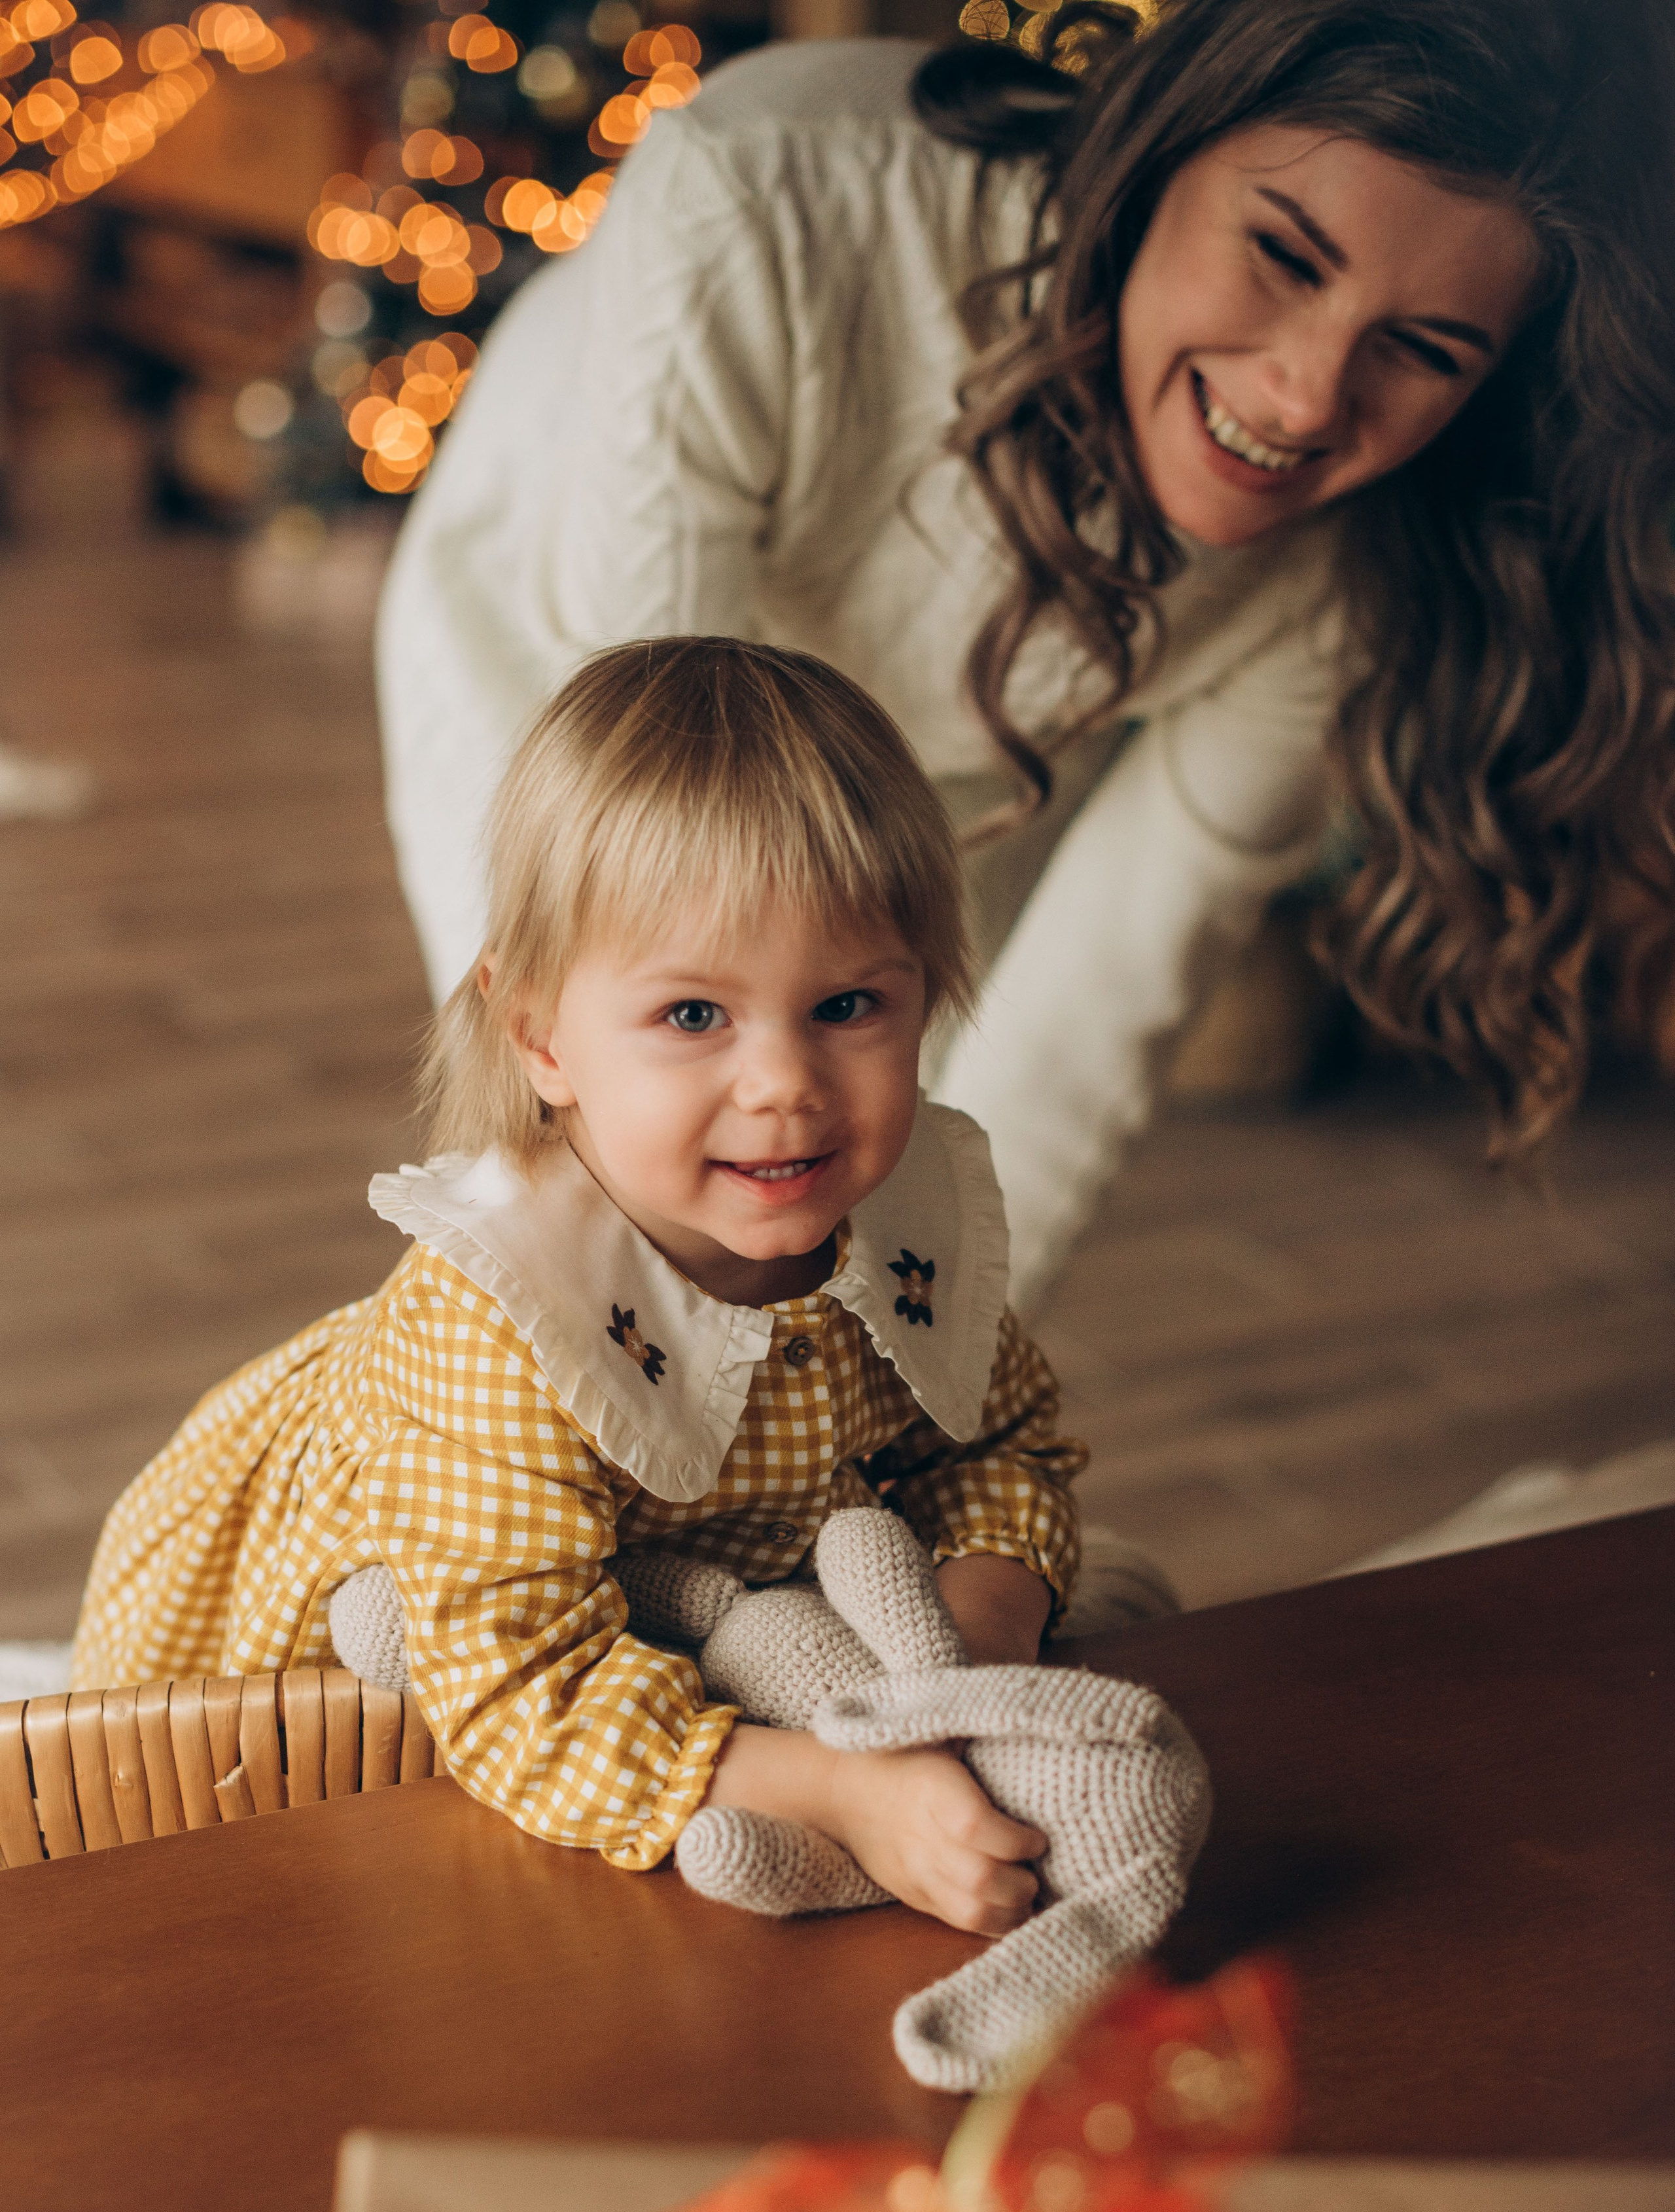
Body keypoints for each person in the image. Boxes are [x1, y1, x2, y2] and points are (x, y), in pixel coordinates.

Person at [376, 0, 1675, 1311]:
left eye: (1420, 350)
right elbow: (655, 862)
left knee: (869, 1150)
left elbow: (1084, 1017)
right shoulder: (764, 192)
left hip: (958, 749)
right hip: (585, 658)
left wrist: (926, 1401)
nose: (1302, 397)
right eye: (1282, 257)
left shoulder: (1361, 563)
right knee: (604, 1148)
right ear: (1165, 144)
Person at [69, 639, 1087, 1936]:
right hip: (286, 1743)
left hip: (656, 1638)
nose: (784, 1082)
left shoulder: (892, 1235)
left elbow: (1005, 1446)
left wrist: (960, 1662)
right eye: (693, 1016)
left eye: (845, 1003)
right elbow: (520, 1693)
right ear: (541, 1035)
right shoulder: (503, 1319)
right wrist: (843, 1790)